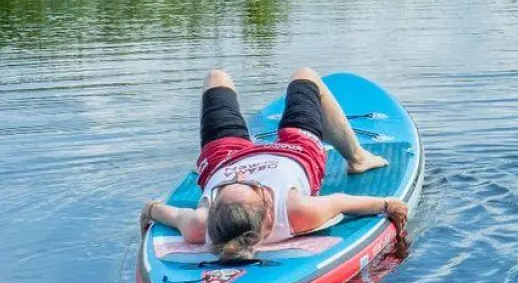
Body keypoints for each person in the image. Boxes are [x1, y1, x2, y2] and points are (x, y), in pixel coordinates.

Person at [140, 68, 409, 260]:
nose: (243, 176)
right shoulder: (297, 211)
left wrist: (150, 211)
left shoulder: (199, 225)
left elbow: (163, 212)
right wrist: (388, 205)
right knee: (304, 76)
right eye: (253, 185)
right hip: (293, 151)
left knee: (216, 78)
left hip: (225, 157)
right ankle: (359, 158)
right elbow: (343, 202)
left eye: (229, 186)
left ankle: (210, 170)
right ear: (269, 213)